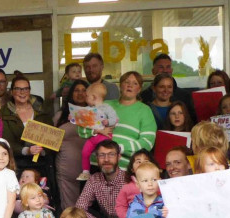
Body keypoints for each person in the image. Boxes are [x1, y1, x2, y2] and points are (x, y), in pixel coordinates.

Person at [79, 71, 156, 171]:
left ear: (139, 89)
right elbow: (82, 128)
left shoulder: (145, 111)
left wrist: (117, 148)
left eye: (135, 83)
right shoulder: (105, 105)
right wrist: (96, 130)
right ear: (120, 85)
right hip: (96, 164)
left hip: (123, 168)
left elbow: (147, 143)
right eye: (126, 82)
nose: (130, 85)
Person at [54, 79, 90, 209]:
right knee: (69, 208)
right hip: (67, 170)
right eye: (76, 90)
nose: (80, 93)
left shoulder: (97, 116)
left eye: (84, 90)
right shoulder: (60, 116)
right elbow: (52, 141)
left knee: (89, 207)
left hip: (92, 169)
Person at [75, 83, 119, 181]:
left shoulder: (107, 108)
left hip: (104, 137)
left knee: (103, 155)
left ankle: (108, 174)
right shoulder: (87, 109)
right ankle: (86, 172)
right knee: (85, 152)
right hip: (93, 137)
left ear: (94, 97)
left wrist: (109, 121)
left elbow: (115, 119)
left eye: (87, 96)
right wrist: (73, 117)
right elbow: (80, 120)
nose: (85, 98)